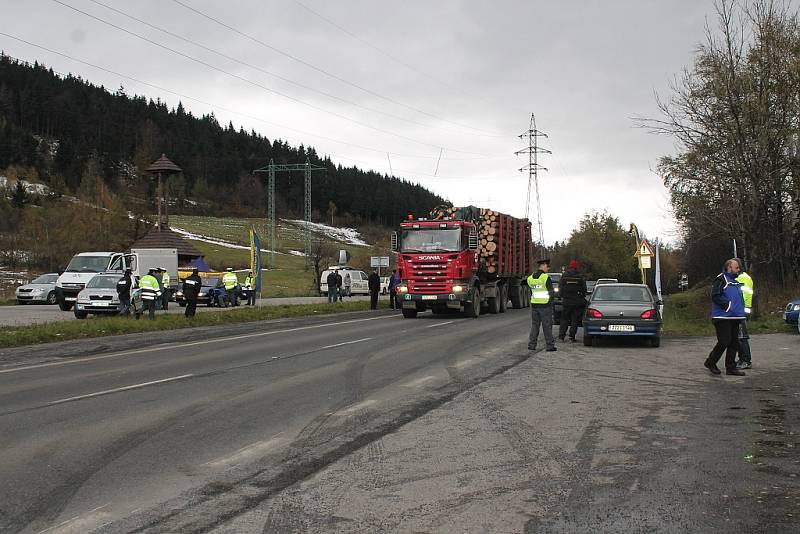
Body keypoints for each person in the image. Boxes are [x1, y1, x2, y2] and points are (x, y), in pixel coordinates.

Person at [706, 258, 747, 376]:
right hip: (722, 317)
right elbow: (715, 295)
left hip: (735, 317)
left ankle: (731, 368)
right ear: (729, 268)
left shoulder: (736, 281)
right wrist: (727, 306)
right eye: (736, 267)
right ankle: (711, 362)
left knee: (734, 343)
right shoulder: (721, 279)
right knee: (724, 341)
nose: (738, 270)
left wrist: (740, 312)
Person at [527, 258, 557, 352]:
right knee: (547, 326)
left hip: (535, 305)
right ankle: (549, 345)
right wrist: (551, 303)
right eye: (547, 266)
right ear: (543, 265)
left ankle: (532, 345)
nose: (548, 269)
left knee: (535, 325)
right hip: (545, 305)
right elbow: (551, 292)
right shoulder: (545, 278)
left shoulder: (530, 278)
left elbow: (531, 292)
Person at [558, 259, 587, 342]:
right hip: (577, 302)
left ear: (570, 266)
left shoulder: (564, 276)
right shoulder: (580, 276)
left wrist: (562, 296)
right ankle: (571, 337)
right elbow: (584, 289)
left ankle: (561, 336)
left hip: (566, 301)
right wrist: (582, 296)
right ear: (576, 267)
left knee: (564, 319)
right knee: (575, 320)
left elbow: (560, 287)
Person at [736, 263, 755, 369]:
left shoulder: (742, 278)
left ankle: (746, 360)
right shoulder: (744, 277)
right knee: (739, 336)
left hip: (741, 310)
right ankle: (743, 359)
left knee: (742, 336)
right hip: (743, 309)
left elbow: (743, 294)